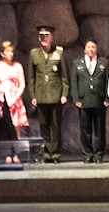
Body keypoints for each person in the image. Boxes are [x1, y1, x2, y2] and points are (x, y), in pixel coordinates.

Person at [27, 25, 68, 163]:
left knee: (56, 126)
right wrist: (33, 95)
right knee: (43, 125)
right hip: (41, 95)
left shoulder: (59, 53)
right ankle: (47, 153)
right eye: (41, 36)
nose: (44, 38)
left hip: (55, 95)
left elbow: (64, 76)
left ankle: (55, 153)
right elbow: (31, 77)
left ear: (51, 38)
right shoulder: (34, 54)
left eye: (46, 36)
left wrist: (64, 94)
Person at [70, 40, 109, 164]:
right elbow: (74, 83)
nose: (91, 49)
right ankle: (87, 154)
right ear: (84, 50)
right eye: (89, 47)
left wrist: (107, 98)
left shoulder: (104, 63)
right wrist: (76, 99)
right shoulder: (77, 64)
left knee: (99, 130)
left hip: (99, 101)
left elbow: (108, 81)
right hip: (84, 101)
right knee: (85, 130)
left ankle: (98, 155)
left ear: (96, 49)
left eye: (93, 47)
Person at [0, 40, 27, 163]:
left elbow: (22, 84)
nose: (11, 54)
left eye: (12, 51)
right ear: (2, 53)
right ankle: (7, 154)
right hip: (2, 101)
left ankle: (15, 153)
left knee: (16, 128)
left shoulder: (17, 66)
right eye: (8, 52)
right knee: (5, 127)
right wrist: (1, 99)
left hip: (15, 100)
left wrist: (15, 97)